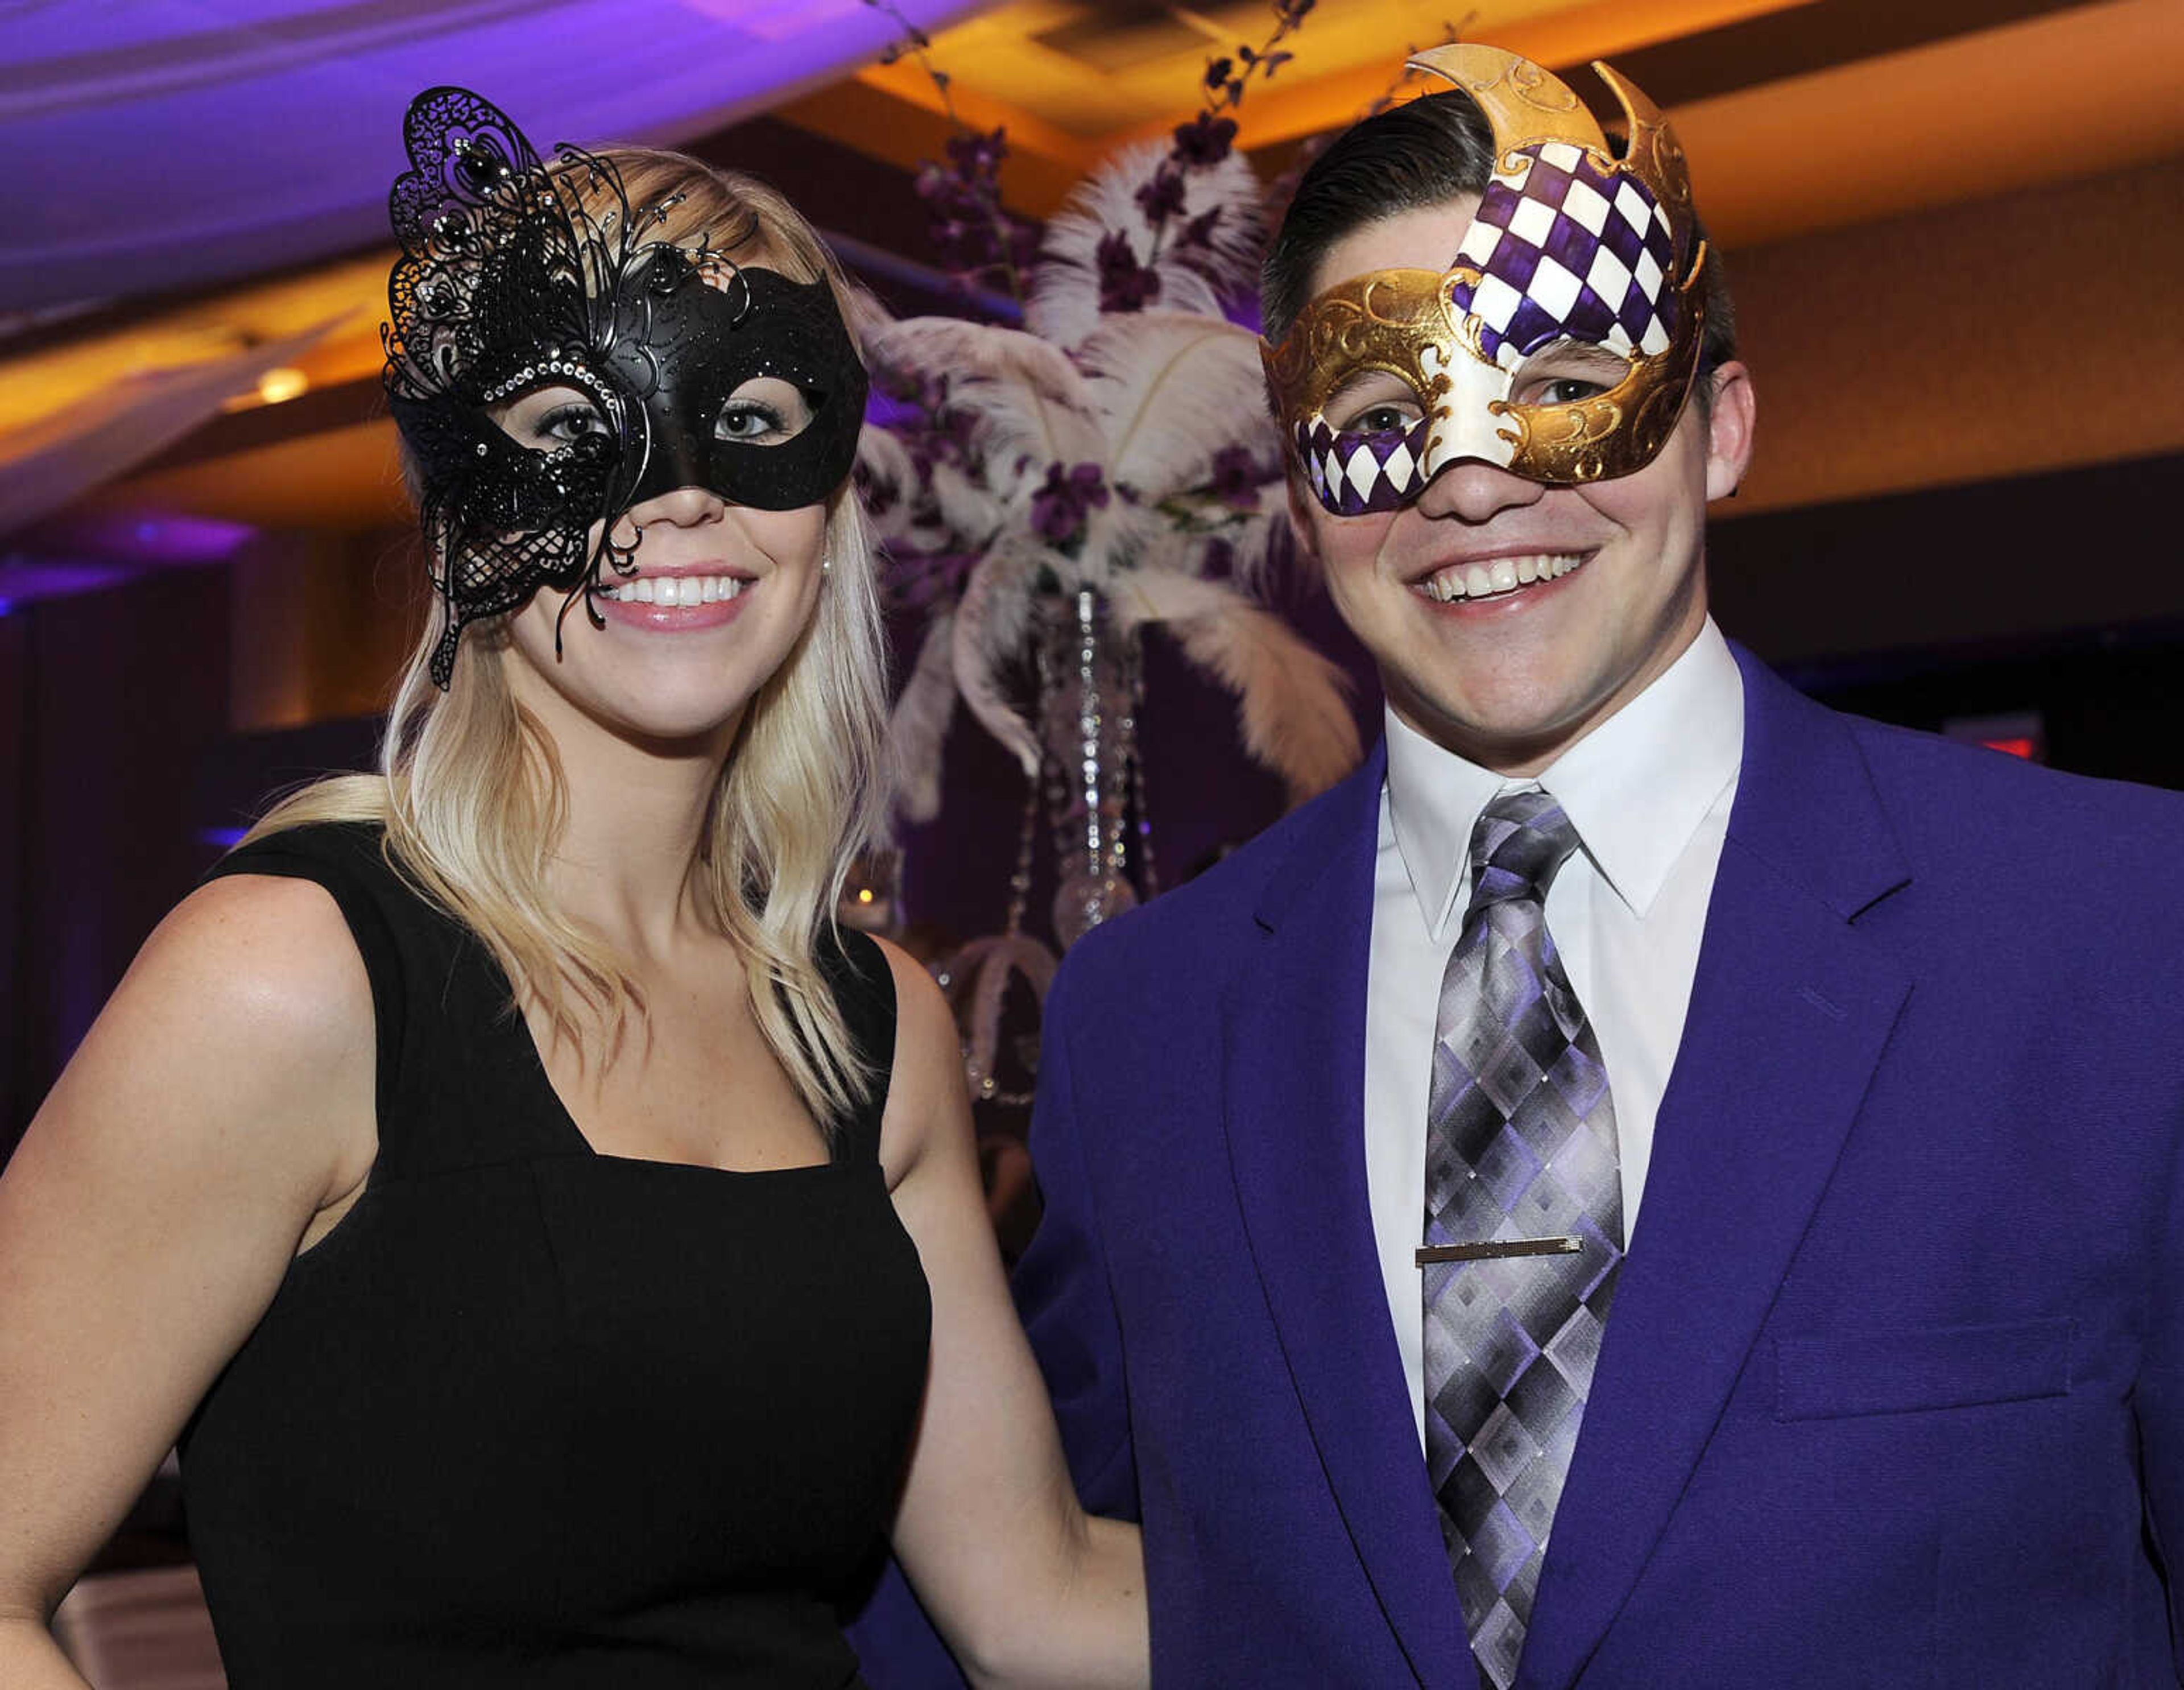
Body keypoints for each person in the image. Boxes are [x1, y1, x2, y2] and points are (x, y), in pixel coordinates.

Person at [853, 40, 2184, 1689]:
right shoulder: (1152, 1023)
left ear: (1722, 428)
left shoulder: (2124, 933)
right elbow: (1029, 1575)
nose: (1473, 480)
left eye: (1564, 378)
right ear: (1300, 486)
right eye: (1378, 413)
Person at [0, 88, 1146, 1689]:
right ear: (468, 496)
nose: (679, 496)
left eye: (750, 422)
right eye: (573, 428)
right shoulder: (295, 972)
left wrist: (1497, 1586)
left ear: (827, 504)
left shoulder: (867, 1030)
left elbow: (1038, 1600)